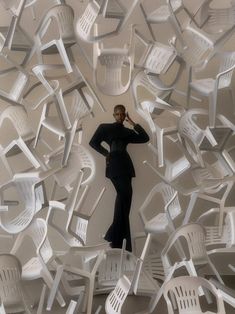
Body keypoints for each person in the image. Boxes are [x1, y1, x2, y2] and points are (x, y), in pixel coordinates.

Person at [89, 104, 149, 251]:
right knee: (123, 198)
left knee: (125, 202)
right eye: (118, 114)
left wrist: (133, 123)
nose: (120, 117)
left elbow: (144, 138)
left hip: (126, 167)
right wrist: (105, 153)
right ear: (113, 115)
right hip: (114, 166)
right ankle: (114, 237)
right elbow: (93, 142)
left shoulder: (127, 131)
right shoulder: (105, 128)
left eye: (123, 114)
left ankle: (117, 241)